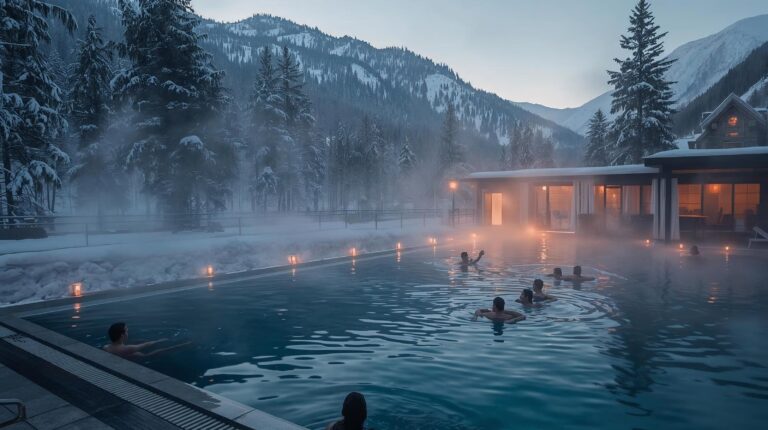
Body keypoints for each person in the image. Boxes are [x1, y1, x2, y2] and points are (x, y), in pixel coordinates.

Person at [104, 322, 185, 358]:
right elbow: (146, 345)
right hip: (138, 357)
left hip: (121, 354)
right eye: (127, 331)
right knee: (143, 354)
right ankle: (180, 346)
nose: (128, 332)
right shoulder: (129, 348)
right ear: (122, 335)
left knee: (136, 351)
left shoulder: (106, 347)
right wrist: (159, 341)